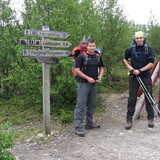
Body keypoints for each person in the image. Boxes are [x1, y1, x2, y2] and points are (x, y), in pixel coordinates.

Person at [123, 31, 155, 130]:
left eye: (141, 38)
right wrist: (130, 68)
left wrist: (140, 70)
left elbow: (151, 63)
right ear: (135, 39)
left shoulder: (148, 49)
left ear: (144, 38)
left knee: (148, 95)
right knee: (132, 97)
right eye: (137, 38)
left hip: (145, 75)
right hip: (134, 76)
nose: (139, 40)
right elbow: (125, 59)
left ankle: (150, 118)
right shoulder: (131, 49)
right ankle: (129, 119)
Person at [74, 39, 104, 137]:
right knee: (81, 105)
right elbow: (77, 70)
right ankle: (78, 127)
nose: (92, 47)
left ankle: (89, 123)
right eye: (90, 46)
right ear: (86, 46)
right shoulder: (81, 57)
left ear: (95, 46)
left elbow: (102, 67)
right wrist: (88, 78)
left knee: (92, 104)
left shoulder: (98, 56)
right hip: (83, 83)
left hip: (94, 83)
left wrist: (100, 76)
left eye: (93, 46)